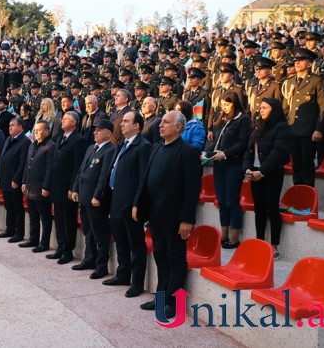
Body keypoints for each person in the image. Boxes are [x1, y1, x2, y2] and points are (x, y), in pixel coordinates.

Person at [136, 111, 202, 319]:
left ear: (179, 127)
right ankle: (161, 297)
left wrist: (187, 219)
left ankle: (175, 302)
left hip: (175, 219)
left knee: (175, 259)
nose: (160, 125)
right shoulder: (156, 148)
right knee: (160, 257)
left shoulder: (188, 152)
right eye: (161, 122)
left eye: (166, 122)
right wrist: (138, 204)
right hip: (155, 215)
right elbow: (146, 180)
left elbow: (192, 190)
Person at [103, 111, 152, 296]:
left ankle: (137, 283)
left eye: (126, 121)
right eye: (121, 121)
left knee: (136, 245)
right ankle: (122, 274)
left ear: (137, 125)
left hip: (131, 203)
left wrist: (137, 203)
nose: (121, 124)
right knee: (121, 241)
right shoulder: (122, 145)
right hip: (117, 200)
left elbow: (142, 178)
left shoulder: (143, 146)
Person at [243, 98, 294, 260]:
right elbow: (248, 150)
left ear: (274, 109)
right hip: (256, 173)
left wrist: (262, 172)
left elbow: (279, 153)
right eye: (260, 108)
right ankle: (260, 242)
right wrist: (247, 169)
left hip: (271, 173)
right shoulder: (259, 127)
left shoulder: (282, 128)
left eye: (265, 108)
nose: (261, 110)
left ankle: (274, 246)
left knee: (271, 208)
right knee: (259, 209)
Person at [69, 118, 117, 280]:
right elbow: (81, 170)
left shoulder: (110, 150)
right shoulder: (91, 147)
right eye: (95, 130)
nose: (95, 132)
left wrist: (97, 195)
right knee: (88, 230)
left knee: (100, 233)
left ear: (108, 133)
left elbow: (104, 176)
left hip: (96, 200)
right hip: (84, 196)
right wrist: (75, 188)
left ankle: (101, 265)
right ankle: (89, 259)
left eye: (99, 130)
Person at [203, 92, 252, 248]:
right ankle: (223, 234)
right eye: (222, 104)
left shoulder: (243, 119)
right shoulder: (221, 117)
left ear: (235, 104)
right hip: (219, 164)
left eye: (227, 104)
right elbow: (217, 141)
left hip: (234, 164)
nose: (224, 107)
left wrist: (225, 154)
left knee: (232, 200)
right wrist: (208, 152)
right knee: (222, 200)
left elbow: (243, 143)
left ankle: (234, 237)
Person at [45, 111, 88, 264]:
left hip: (68, 188)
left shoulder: (79, 141)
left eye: (66, 120)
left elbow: (78, 167)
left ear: (74, 123)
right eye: (62, 119)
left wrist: (74, 188)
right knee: (58, 218)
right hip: (57, 186)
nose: (62, 121)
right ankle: (60, 246)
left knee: (68, 220)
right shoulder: (59, 138)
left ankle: (67, 251)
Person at [281, 48, 324, 187]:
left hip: (309, 130)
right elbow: (285, 108)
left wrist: (318, 129)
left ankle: (306, 196)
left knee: (307, 163)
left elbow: (323, 108)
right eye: (296, 60)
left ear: (309, 64)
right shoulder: (289, 82)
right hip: (292, 128)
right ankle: (297, 195)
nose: (297, 63)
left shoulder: (316, 81)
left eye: (301, 60)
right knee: (296, 163)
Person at [21, 120, 55, 253]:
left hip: (41, 187)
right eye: (35, 130)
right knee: (33, 215)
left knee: (45, 217)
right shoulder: (32, 145)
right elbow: (26, 165)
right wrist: (23, 181)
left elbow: (49, 168)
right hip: (30, 186)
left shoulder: (50, 146)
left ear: (47, 131)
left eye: (40, 130)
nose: (37, 133)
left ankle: (44, 243)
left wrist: (46, 187)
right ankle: (33, 239)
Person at [0, 117, 31, 242]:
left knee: (17, 207)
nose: (9, 127)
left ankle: (19, 232)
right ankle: (9, 229)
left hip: (14, 180)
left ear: (20, 127)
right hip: (5, 178)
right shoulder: (8, 139)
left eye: (12, 125)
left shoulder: (25, 142)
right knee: (8, 206)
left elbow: (23, 163)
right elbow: (2, 158)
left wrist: (17, 179)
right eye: (9, 125)